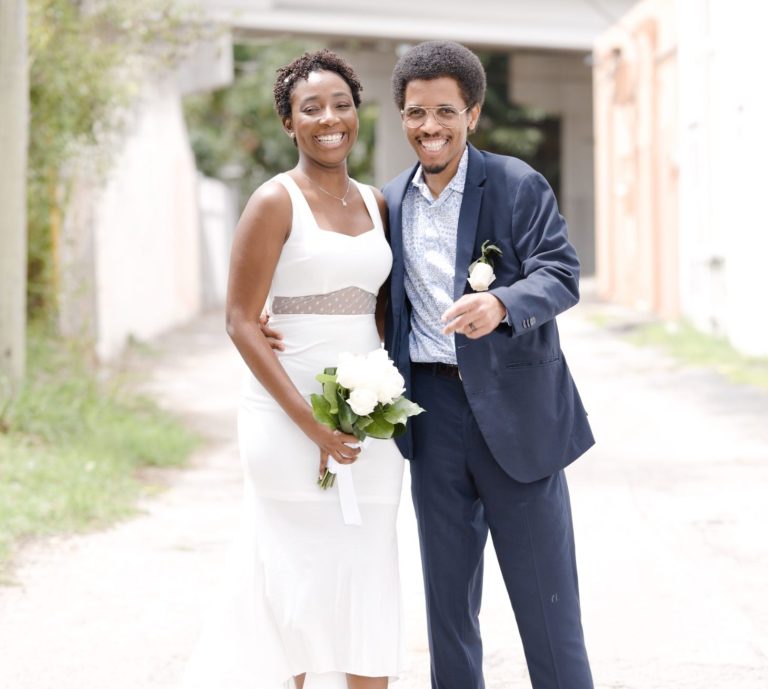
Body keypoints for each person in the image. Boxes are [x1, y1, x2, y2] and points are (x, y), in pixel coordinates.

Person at [184, 50, 404, 689]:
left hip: (370, 419)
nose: (329, 118)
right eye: (311, 108)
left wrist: (380, 404)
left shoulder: (377, 204)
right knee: (295, 575)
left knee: (369, 565)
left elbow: (386, 310)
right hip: (286, 418)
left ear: (356, 113)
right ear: (289, 122)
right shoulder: (273, 201)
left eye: (340, 104)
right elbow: (240, 320)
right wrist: (312, 426)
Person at [382, 41, 595, 689]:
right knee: (447, 610)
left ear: (472, 115)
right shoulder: (389, 202)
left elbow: (561, 273)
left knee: (547, 607)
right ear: (401, 115)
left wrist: (501, 302)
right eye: (416, 113)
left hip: (517, 417)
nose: (430, 127)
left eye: (445, 111)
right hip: (430, 413)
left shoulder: (515, 183)